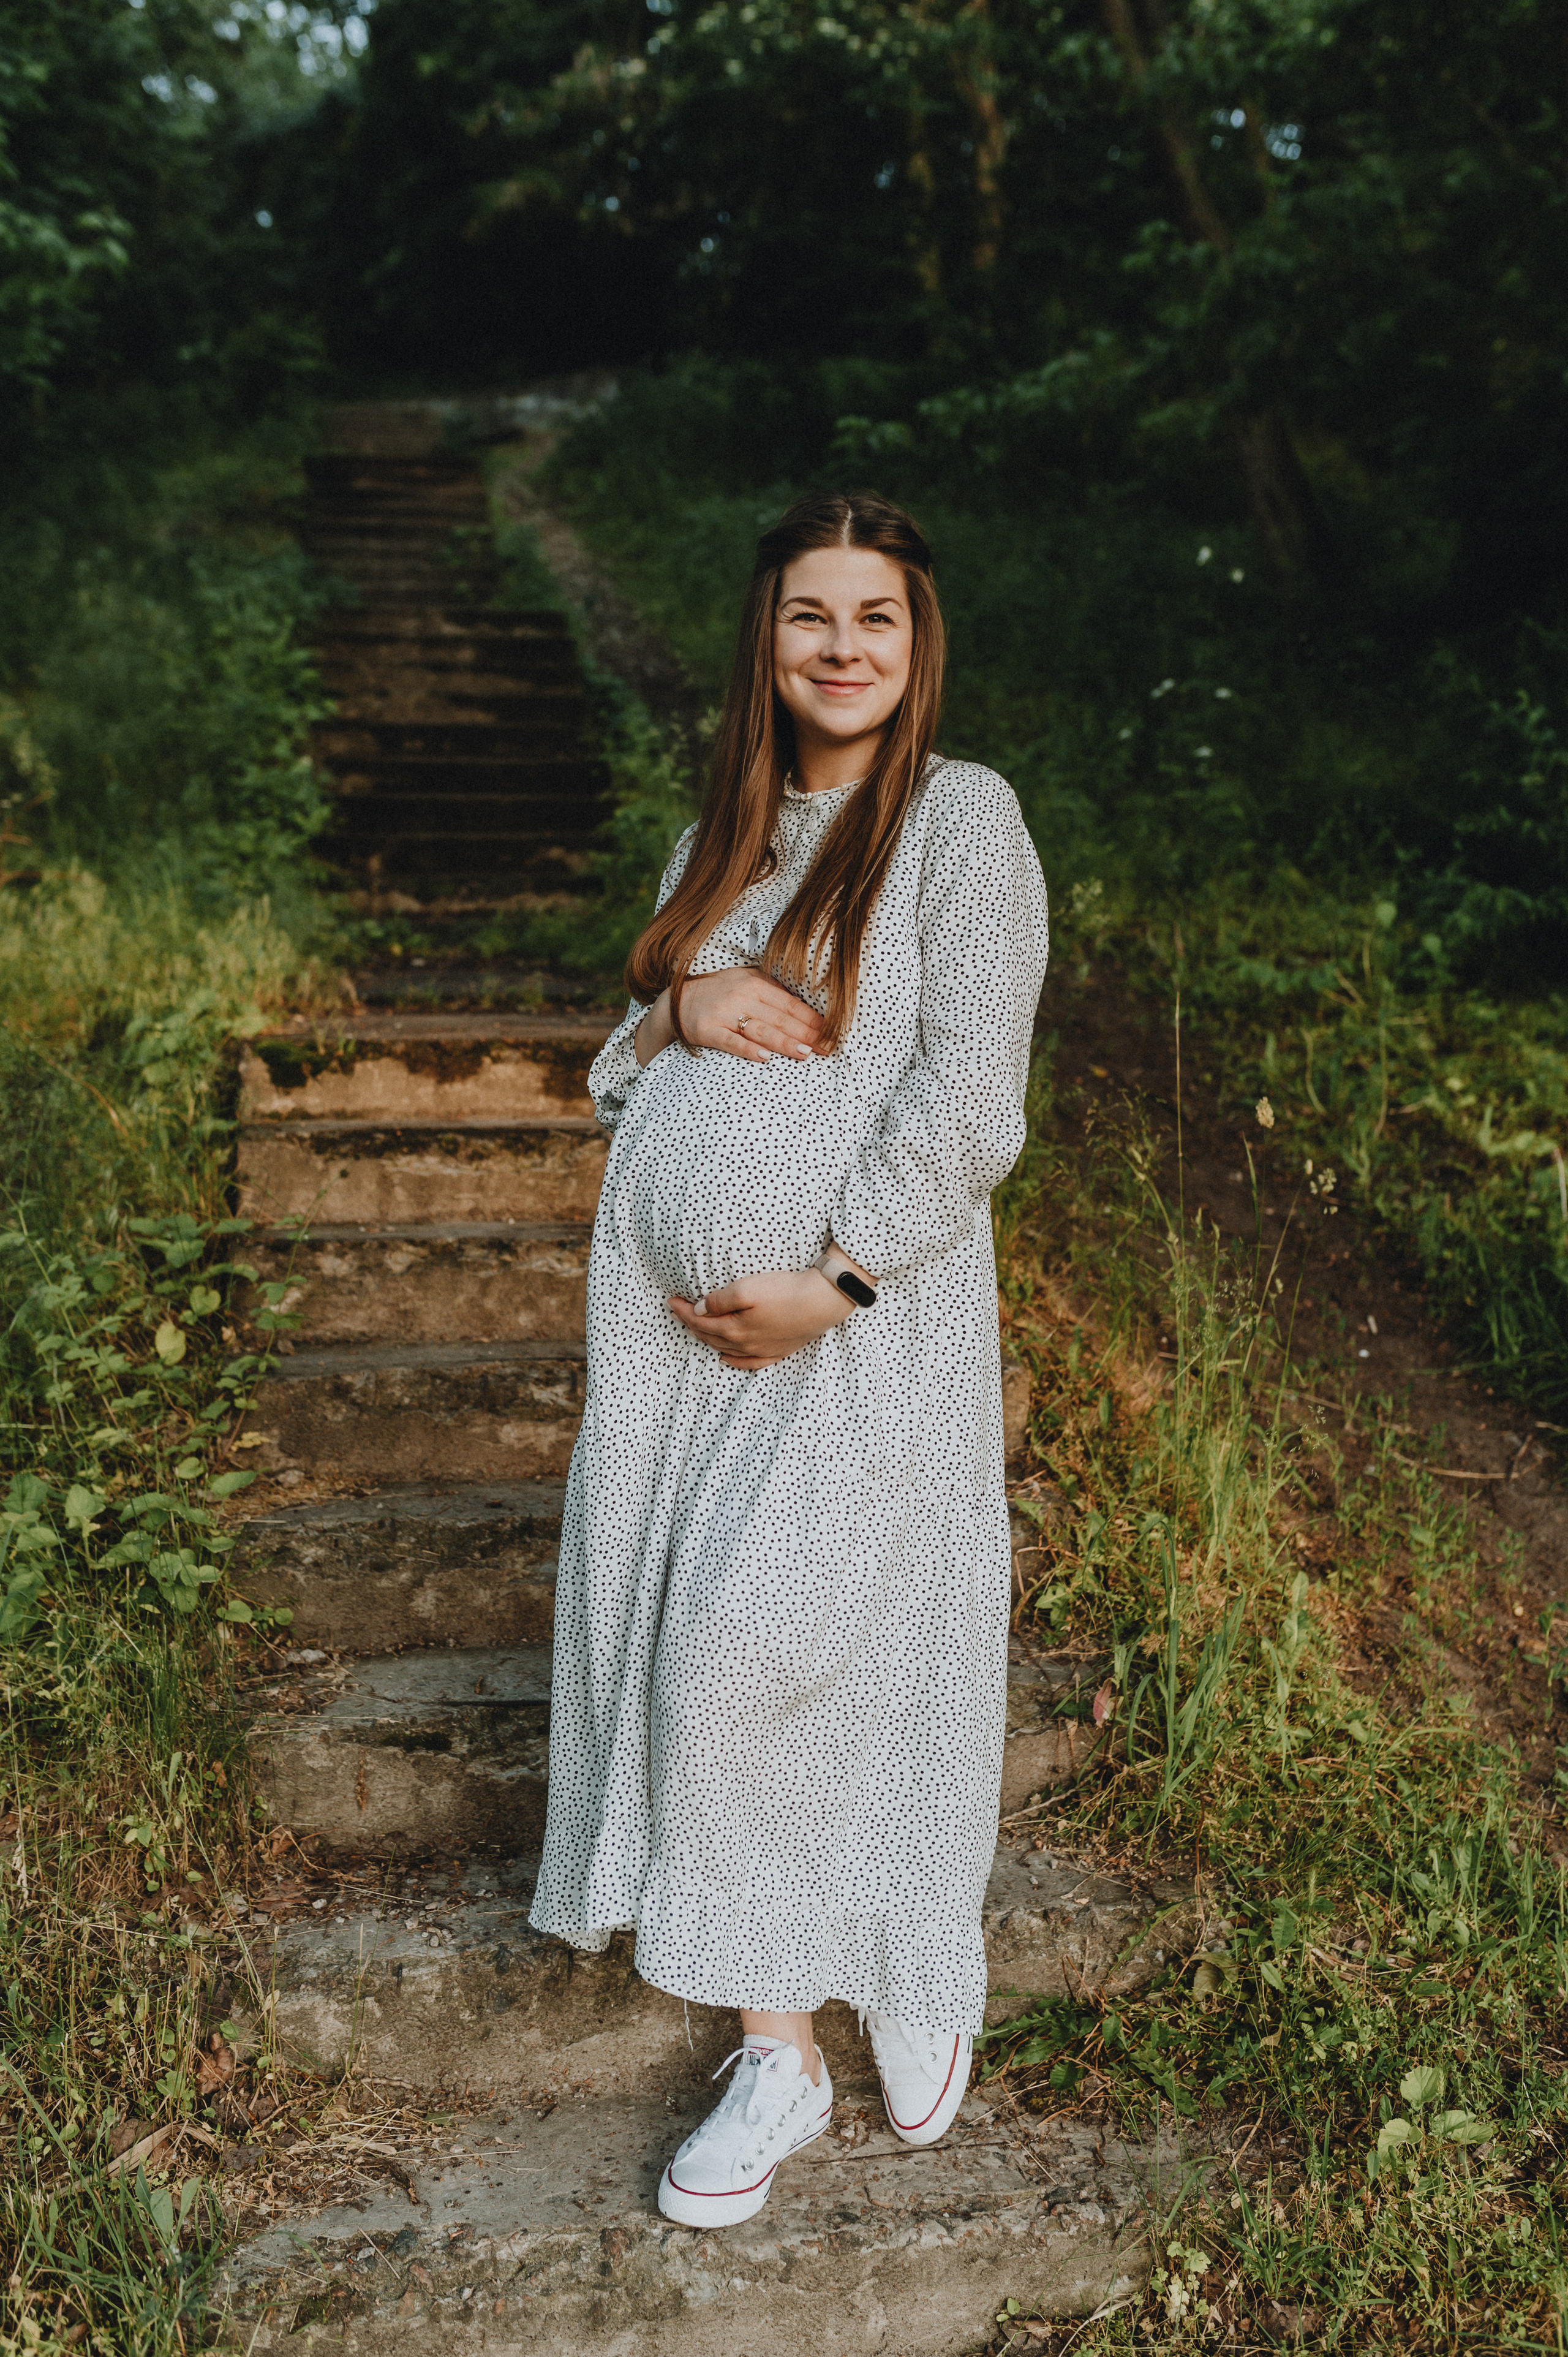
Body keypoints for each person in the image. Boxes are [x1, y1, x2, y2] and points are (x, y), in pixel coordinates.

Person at [528, 488, 1049, 2226]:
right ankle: (783, 2047)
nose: (842, 646)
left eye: (876, 616)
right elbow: (615, 1069)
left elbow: (972, 1099)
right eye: (810, 615)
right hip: (679, 1362)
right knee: (709, 1651)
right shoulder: (722, 847)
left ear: (918, 642)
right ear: (766, 640)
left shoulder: (960, 825)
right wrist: (679, 1001)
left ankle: (908, 1952)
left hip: (859, 1329)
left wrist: (837, 1276)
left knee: (776, 1652)